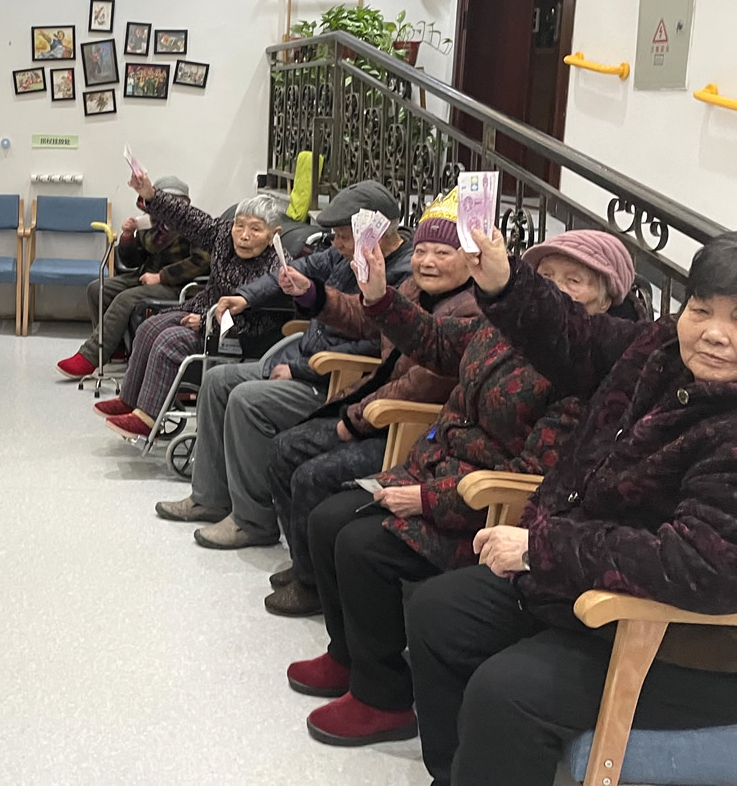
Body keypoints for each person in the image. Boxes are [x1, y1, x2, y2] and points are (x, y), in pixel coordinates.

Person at [407, 228, 737, 786]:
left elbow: (701, 564)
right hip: (580, 583)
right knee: (438, 611)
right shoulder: (660, 350)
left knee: (505, 692)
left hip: (679, 639)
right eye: (701, 309)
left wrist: (543, 548)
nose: (714, 334)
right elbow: (576, 338)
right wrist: (506, 283)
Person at [289, 228, 634, 748]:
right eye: (546, 276)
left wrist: (429, 498)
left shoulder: (588, 372)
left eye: (575, 281)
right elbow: (435, 341)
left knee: (362, 546)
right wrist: (379, 298)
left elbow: (535, 474)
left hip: (485, 505)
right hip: (434, 469)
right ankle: (350, 657)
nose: (557, 289)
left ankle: (383, 697)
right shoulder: (503, 326)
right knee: (327, 518)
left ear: (607, 299)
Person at [155, 180, 414, 550]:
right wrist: (245, 297)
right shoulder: (345, 256)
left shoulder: (401, 277)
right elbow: (298, 268)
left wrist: (301, 370)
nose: (337, 243)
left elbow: (375, 348)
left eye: (344, 235)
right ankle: (209, 498)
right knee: (217, 380)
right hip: (305, 360)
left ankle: (252, 522)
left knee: (247, 400)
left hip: (336, 381)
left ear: (374, 231)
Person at [263, 191, 479, 617]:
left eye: (443, 252)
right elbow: (367, 318)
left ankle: (313, 585)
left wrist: (356, 419)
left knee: (312, 474)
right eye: (422, 250)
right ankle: (308, 565)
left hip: (412, 431)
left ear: (472, 258)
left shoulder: (472, 310)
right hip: (376, 409)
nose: (427, 261)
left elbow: (423, 385)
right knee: (283, 450)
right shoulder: (414, 288)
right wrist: (314, 295)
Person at [95, 185, 284, 437]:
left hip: (235, 334)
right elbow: (187, 218)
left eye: (255, 229)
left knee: (169, 340)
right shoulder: (223, 235)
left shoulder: (277, 269)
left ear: (274, 235)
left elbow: (264, 319)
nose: (244, 236)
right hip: (203, 309)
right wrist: (152, 195)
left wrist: (208, 322)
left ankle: (147, 418)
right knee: (149, 327)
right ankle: (130, 400)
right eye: (239, 226)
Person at [57, 174, 210, 380]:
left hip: (178, 285)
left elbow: (201, 262)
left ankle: (90, 356)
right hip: (145, 276)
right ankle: (115, 349)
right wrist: (128, 237)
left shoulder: (195, 226)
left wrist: (161, 276)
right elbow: (131, 260)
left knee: (126, 299)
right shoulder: (150, 224)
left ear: (185, 203)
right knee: (97, 288)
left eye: (176, 201)